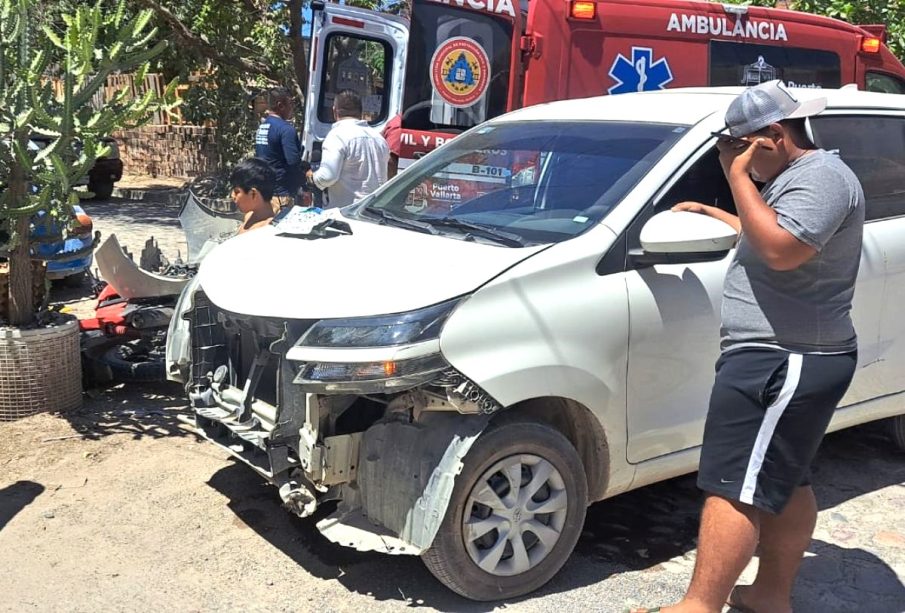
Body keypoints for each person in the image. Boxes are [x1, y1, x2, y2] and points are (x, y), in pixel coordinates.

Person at [630, 80, 865, 613]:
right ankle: (769, 597)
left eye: (737, 150)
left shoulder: (822, 176)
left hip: (784, 358)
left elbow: (782, 251)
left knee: (732, 485)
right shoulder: (802, 178)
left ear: (771, 137)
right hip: (791, 354)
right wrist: (721, 216)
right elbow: (775, 235)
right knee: (785, 480)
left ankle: (699, 606)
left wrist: (737, 177)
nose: (734, 162)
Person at [307, 90, 389, 208]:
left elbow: (327, 177)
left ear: (334, 111)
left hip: (346, 214)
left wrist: (311, 176)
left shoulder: (337, 135)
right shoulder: (379, 139)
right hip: (373, 212)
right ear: (361, 112)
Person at [255, 87, 305, 209]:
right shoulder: (286, 129)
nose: (292, 107)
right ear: (280, 105)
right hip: (282, 195)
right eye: (290, 103)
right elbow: (293, 162)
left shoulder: (263, 126)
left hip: (264, 193)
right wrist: (304, 186)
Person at [229, 158, 277, 234]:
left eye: (237, 192)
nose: (232, 195)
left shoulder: (266, 229)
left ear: (253, 194)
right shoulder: (248, 216)